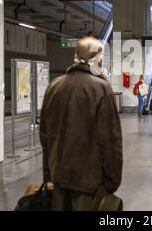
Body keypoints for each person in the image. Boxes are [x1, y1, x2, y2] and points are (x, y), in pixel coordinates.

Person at [40, 37, 123, 211]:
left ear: (75, 55)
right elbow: (110, 140)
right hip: (88, 181)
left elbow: (45, 137)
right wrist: (112, 181)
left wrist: (48, 174)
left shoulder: (54, 86)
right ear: (99, 59)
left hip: (59, 177)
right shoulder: (101, 89)